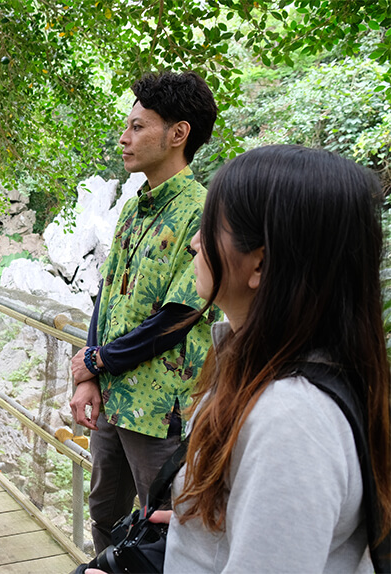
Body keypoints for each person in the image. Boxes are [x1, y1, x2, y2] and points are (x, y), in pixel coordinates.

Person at [158, 145, 390, 572]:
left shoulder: (291, 420)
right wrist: (198, 532)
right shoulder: (267, 372)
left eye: (210, 227)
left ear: (260, 262)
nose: (194, 243)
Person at [69, 70, 220, 553]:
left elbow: (180, 314)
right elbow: (106, 293)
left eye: (138, 126)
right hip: (113, 397)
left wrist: (97, 361)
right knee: (104, 514)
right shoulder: (135, 207)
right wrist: (89, 373)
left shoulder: (204, 211)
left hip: (161, 409)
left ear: (178, 134)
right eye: (127, 125)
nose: (125, 136)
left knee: (164, 526)